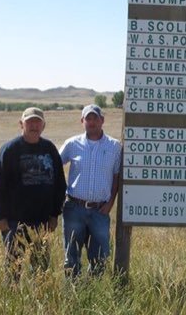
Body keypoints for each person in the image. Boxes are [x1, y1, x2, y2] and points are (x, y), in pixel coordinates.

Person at [0, 107, 67, 283]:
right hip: (15, 223)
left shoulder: (50, 149)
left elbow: (60, 184)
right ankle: (12, 303)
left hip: (43, 223)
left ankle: (38, 304)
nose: (34, 125)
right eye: (30, 121)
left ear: (43, 125)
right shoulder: (9, 150)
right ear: (21, 124)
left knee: (41, 271)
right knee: (13, 270)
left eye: (37, 122)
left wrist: (54, 214)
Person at [59, 104, 122, 278]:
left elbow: (116, 177)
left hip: (100, 210)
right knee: (71, 256)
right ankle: (73, 293)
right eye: (88, 118)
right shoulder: (72, 144)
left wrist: (110, 204)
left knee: (100, 257)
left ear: (102, 120)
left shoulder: (115, 146)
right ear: (82, 121)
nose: (92, 122)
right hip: (74, 208)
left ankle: (93, 291)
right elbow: (55, 166)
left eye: (95, 118)